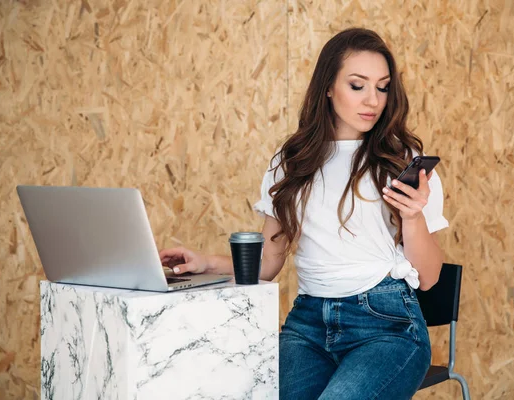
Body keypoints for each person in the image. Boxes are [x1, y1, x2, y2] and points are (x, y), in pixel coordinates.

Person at [159, 27, 449, 400]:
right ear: (328, 87)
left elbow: (427, 279)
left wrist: (413, 218)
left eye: (382, 86)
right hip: (308, 325)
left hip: (386, 326)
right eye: (357, 85)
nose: (373, 100)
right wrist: (206, 263)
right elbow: (268, 262)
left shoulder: (404, 161)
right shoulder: (292, 161)